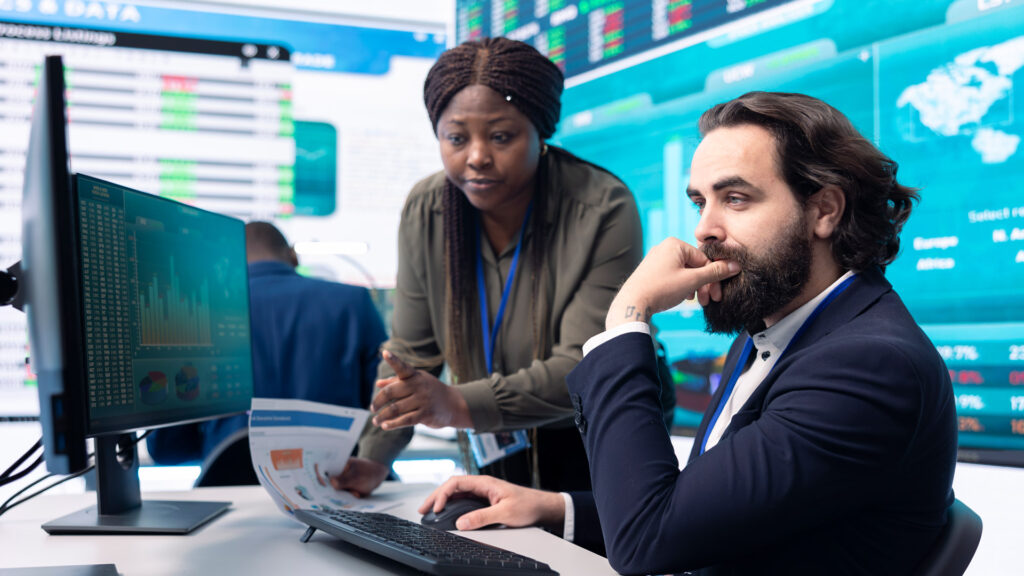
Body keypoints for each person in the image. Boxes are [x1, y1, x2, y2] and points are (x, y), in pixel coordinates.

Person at [420, 92, 958, 575]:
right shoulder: (776, 330)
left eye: (737, 199)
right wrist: (555, 508)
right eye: (701, 201)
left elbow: (649, 540)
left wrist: (627, 318)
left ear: (824, 210)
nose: (704, 229)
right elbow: (694, 513)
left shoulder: (867, 366)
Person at [331, 37, 644, 497]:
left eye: (501, 136)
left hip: (593, 442)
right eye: (456, 138)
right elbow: (411, 356)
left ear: (540, 133)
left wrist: (457, 402)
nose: (476, 156)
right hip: (486, 441)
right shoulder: (427, 209)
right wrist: (375, 457)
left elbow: (587, 364)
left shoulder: (600, 206)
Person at [147, 221, 387, 464]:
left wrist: (217, 437)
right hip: (340, 477)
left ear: (228, 264)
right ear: (293, 255)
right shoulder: (353, 301)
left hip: (228, 479)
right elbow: (386, 405)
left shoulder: (197, 311)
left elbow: (166, 448)